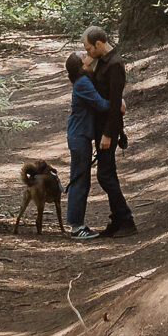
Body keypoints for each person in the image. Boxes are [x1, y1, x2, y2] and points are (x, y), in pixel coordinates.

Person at [81, 25, 136, 236]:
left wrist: (108, 134)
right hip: (100, 126)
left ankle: (126, 219)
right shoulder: (102, 62)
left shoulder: (114, 64)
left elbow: (114, 104)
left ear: (99, 44)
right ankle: (117, 220)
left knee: (104, 175)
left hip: (108, 129)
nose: (87, 53)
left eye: (89, 49)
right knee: (108, 172)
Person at [63, 50, 110, 239]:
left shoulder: (83, 80)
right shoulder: (82, 83)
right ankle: (76, 227)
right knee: (79, 181)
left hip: (80, 135)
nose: (87, 54)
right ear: (81, 64)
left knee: (81, 179)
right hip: (79, 136)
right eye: (83, 55)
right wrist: (119, 104)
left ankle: (77, 224)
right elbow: (100, 104)